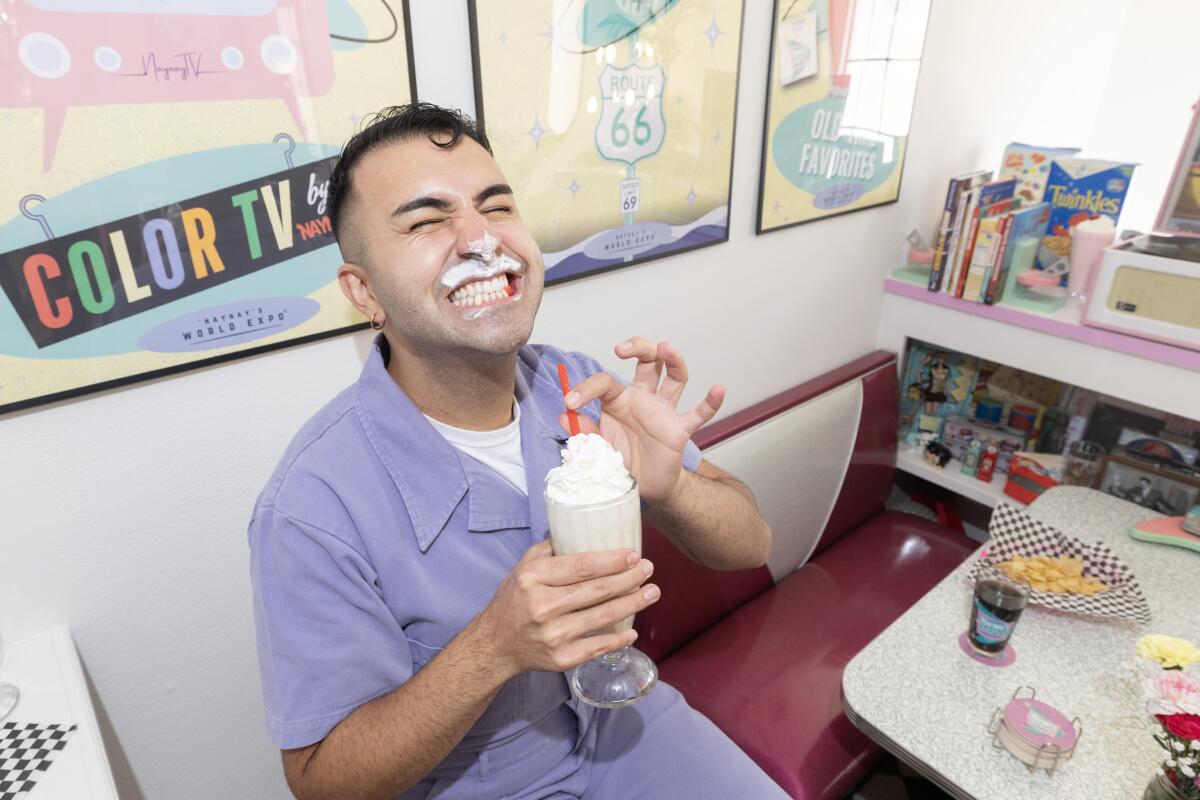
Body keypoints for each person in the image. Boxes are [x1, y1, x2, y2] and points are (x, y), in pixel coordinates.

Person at [247, 103, 787, 800]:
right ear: (364, 291)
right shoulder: (310, 507)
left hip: (624, 725)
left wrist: (671, 490)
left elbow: (753, 544)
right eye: (426, 220)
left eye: (496, 206)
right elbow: (323, 781)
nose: (480, 238)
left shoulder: (579, 386)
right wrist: (493, 650)